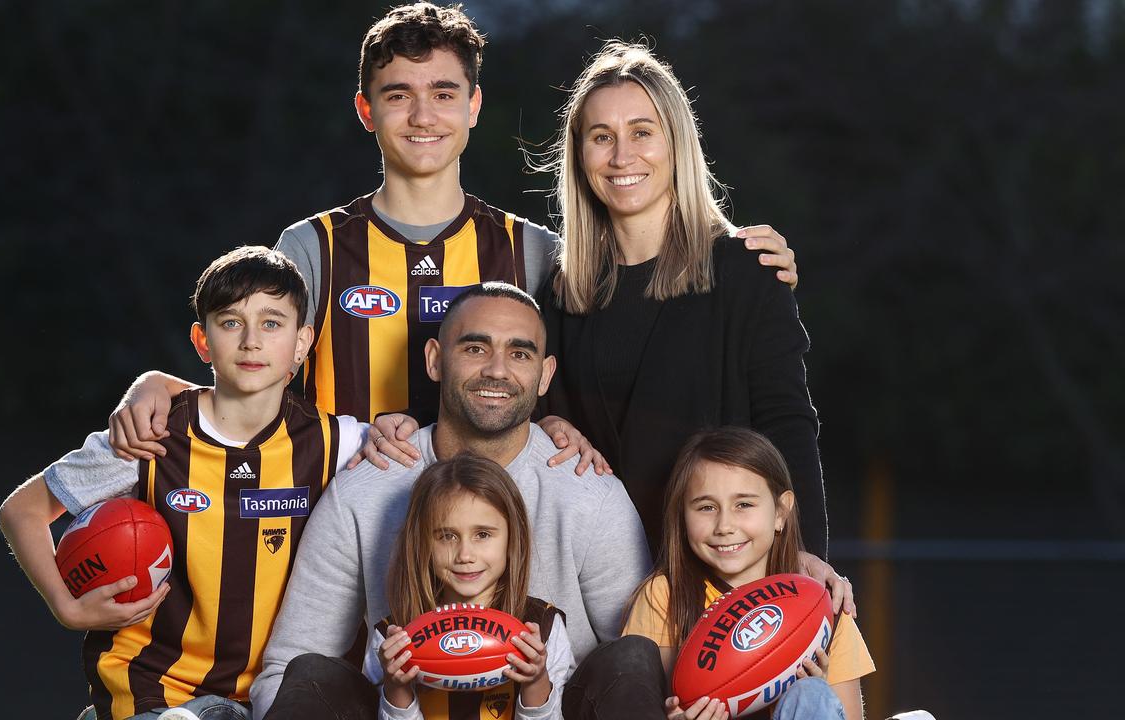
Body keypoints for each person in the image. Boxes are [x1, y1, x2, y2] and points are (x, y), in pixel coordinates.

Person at [105, 4, 798, 475]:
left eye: (442, 92)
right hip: (337, 524)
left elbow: (612, 359)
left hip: (488, 541)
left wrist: (727, 246)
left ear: (473, 107)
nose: (422, 114)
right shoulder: (312, 245)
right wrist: (157, 383)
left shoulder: (535, 253)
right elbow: (248, 373)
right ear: (365, 110)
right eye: (398, 93)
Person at [249, 282, 652, 720]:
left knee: (633, 655)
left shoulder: (587, 489)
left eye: (520, 354)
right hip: (405, 712)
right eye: (475, 348)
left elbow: (637, 674)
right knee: (310, 673)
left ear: (545, 374)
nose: (497, 370)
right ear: (435, 360)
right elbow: (288, 669)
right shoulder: (369, 486)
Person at [0, 247, 364, 720]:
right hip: (151, 686)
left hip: (274, 697)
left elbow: (429, 460)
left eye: (272, 323)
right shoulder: (149, 434)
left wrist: (396, 427)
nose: (251, 341)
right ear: (202, 340)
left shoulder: (341, 442)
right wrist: (67, 608)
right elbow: (21, 510)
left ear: (302, 341)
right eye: (231, 322)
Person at [536, 40, 830, 559]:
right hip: (602, 579)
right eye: (602, 137)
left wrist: (806, 555)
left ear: (677, 144)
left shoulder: (745, 270)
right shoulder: (563, 292)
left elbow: (788, 422)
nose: (622, 156)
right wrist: (546, 425)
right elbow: (537, 426)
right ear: (580, 156)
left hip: (724, 572)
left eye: (642, 133)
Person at [621, 427, 873, 720]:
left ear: (780, 512)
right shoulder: (665, 595)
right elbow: (657, 701)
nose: (724, 525)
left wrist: (815, 699)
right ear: (682, 516)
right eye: (706, 507)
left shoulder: (822, 604)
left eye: (744, 505)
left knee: (812, 693)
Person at [368, 454, 574, 720]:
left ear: (513, 536)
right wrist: (397, 688)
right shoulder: (392, 638)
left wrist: (535, 682)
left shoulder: (542, 628)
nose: (465, 554)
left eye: (483, 535)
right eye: (447, 536)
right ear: (422, 544)